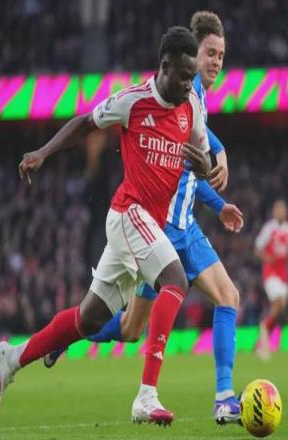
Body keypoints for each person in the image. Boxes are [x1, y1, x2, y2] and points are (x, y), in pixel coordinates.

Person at [0, 26, 212, 419]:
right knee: (176, 280)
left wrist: (204, 166)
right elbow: (85, 123)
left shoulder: (192, 106)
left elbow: (205, 161)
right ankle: (146, 396)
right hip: (128, 213)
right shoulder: (133, 101)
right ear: (164, 67)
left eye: (191, 76)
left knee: (89, 319)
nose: (188, 83)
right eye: (182, 75)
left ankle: (12, 358)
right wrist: (43, 153)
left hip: (149, 226)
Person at [44, 11, 242, 426]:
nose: (215, 62)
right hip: (159, 227)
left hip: (186, 227)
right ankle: (72, 334)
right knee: (131, 328)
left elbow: (192, 165)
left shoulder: (196, 99)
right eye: (209, 53)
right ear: (192, 55)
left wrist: (217, 202)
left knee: (227, 297)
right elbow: (191, 148)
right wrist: (219, 154)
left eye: (221, 55)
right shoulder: (185, 92)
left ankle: (224, 397)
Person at [255, 199, 288, 359]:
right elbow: (257, 248)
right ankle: (264, 328)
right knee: (279, 302)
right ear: (274, 212)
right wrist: (267, 258)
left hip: (283, 274)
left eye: (284, 209)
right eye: (279, 209)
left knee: (281, 307)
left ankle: (265, 333)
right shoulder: (269, 228)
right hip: (271, 272)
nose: (282, 212)